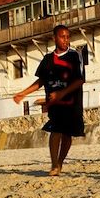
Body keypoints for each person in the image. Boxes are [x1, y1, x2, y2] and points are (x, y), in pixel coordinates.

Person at [14, 24, 85, 175]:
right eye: (62, 36)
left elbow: (79, 80)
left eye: (68, 37)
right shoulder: (47, 60)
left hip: (72, 102)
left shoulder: (74, 56)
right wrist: (23, 93)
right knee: (56, 130)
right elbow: (41, 81)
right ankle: (54, 165)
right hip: (55, 104)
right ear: (54, 38)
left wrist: (61, 93)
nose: (66, 40)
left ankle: (59, 163)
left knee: (67, 135)